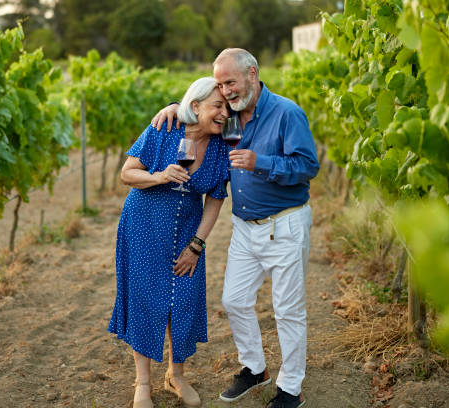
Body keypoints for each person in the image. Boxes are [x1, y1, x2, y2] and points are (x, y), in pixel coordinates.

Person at [151, 48, 320, 408]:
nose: (225, 90)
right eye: (220, 84)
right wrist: (172, 107)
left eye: (230, 82)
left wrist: (262, 163)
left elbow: (307, 166)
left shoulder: (286, 113)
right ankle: (255, 368)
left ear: (252, 74)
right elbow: (200, 111)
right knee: (234, 300)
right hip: (245, 226)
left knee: (287, 310)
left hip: (285, 223)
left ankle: (291, 388)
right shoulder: (229, 116)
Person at [108, 77, 230, 408]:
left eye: (226, 107)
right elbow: (127, 173)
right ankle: (142, 382)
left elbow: (216, 198)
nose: (223, 113)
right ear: (195, 107)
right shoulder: (165, 129)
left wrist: (197, 244)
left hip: (187, 231)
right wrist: (161, 175)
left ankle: (176, 376)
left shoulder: (222, 146)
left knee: (185, 301)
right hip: (144, 225)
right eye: (217, 106)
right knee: (147, 299)